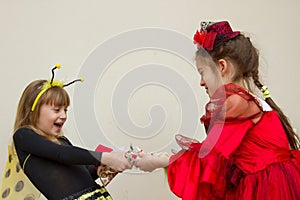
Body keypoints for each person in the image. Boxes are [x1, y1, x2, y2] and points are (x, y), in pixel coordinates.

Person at [135, 21, 300, 199]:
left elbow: (211, 159)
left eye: (202, 72)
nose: (201, 82)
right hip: (278, 184)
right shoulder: (251, 100)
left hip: (266, 189)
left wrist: (161, 161)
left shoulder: (235, 102)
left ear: (221, 67)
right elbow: (223, 162)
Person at [12, 64, 132, 200]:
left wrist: (104, 167)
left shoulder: (62, 141)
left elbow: (84, 173)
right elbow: (62, 154)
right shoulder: (23, 136)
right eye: (57, 110)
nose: (63, 115)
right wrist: (106, 157)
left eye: (65, 110)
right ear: (33, 110)